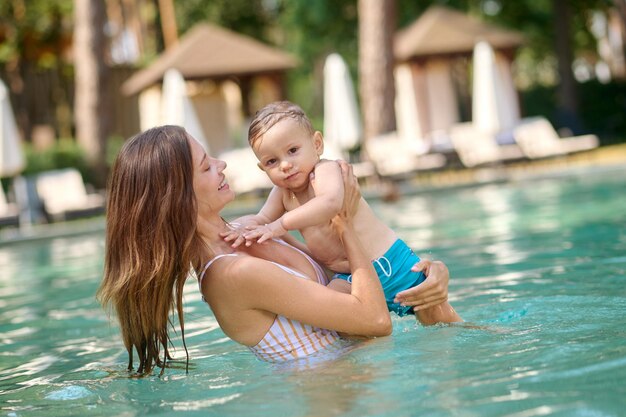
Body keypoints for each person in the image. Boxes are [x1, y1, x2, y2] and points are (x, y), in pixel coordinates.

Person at [98, 125, 409, 376]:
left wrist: (418, 277)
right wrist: (345, 224)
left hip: (368, 378)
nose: (222, 165)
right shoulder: (231, 274)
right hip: (339, 400)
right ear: (181, 198)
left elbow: (345, 273)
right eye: (206, 166)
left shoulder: (250, 229)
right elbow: (375, 321)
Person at [222, 101, 461, 325]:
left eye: (293, 150)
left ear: (317, 145)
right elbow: (263, 219)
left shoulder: (325, 170)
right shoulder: (282, 192)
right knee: (338, 317)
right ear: (262, 168)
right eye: (272, 161)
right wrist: (240, 230)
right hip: (348, 276)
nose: (284, 165)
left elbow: (331, 203)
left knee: (439, 320)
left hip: (389, 264)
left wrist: (280, 225)